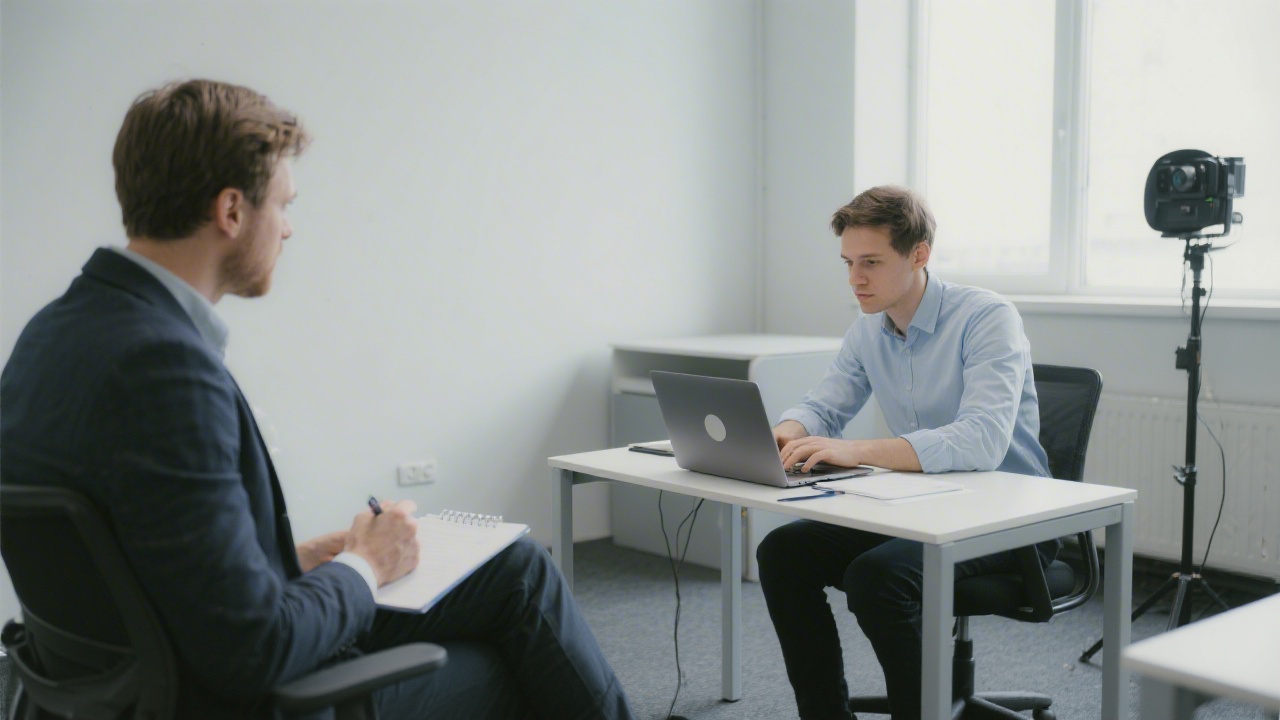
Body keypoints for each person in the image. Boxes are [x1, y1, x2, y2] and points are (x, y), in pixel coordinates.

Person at [0, 79, 634, 720]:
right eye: (283, 204)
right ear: (230, 212)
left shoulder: (52, 334)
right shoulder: (163, 371)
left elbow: (137, 557)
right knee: (507, 663)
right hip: (235, 697)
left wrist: (290, 560)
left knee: (516, 568)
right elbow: (254, 650)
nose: (289, 229)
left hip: (137, 674)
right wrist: (366, 561)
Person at [756, 185, 1056, 720]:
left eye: (871, 262)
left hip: (1009, 518)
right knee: (783, 552)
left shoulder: (987, 317)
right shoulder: (868, 329)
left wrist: (854, 450)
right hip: (918, 506)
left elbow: (982, 439)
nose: (855, 279)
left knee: (878, 579)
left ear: (918, 254)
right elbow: (825, 404)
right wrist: (784, 432)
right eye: (848, 262)